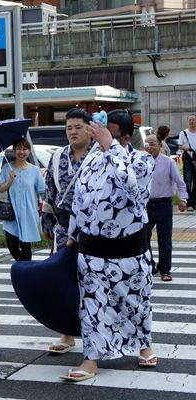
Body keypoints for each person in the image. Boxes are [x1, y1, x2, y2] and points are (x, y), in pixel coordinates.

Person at [62, 108, 156, 382]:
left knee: (135, 303)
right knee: (92, 305)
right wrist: (72, 235)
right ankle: (90, 360)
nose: (99, 138)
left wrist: (110, 146)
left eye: (108, 134)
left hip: (130, 251)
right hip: (92, 250)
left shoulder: (141, 160)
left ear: (124, 137)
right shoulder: (92, 161)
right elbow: (80, 200)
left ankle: (144, 345)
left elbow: (132, 188)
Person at [41, 107, 96, 354]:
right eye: (69, 128)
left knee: (92, 282)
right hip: (63, 228)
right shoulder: (56, 157)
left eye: (78, 127)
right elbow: (49, 192)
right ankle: (67, 333)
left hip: (92, 231)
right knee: (64, 281)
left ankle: (96, 334)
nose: (73, 132)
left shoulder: (100, 154)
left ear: (90, 128)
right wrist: (47, 223)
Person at [144, 134, 187, 282]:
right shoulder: (141, 162)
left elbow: (180, 182)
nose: (149, 147)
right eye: (147, 143)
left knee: (164, 239)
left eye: (153, 144)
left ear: (160, 146)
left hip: (164, 205)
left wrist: (183, 199)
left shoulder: (168, 162)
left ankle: (165, 270)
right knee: (143, 237)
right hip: (146, 205)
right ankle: (151, 265)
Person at [0, 137, 45, 261]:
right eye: (18, 148)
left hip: (28, 213)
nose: (21, 152)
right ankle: (23, 266)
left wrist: (46, 210)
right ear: (14, 151)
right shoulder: (6, 168)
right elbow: (1, 189)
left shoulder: (35, 170)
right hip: (11, 214)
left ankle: (26, 273)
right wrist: (10, 180)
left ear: (29, 151)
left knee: (26, 246)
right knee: (12, 246)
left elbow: (42, 190)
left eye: (25, 149)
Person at [178, 114, 196, 211]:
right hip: (188, 160)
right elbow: (180, 145)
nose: (192, 122)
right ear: (188, 121)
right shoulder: (183, 133)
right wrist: (186, 148)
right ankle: (189, 203)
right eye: (190, 120)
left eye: (193, 120)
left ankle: (195, 202)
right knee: (188, 182)